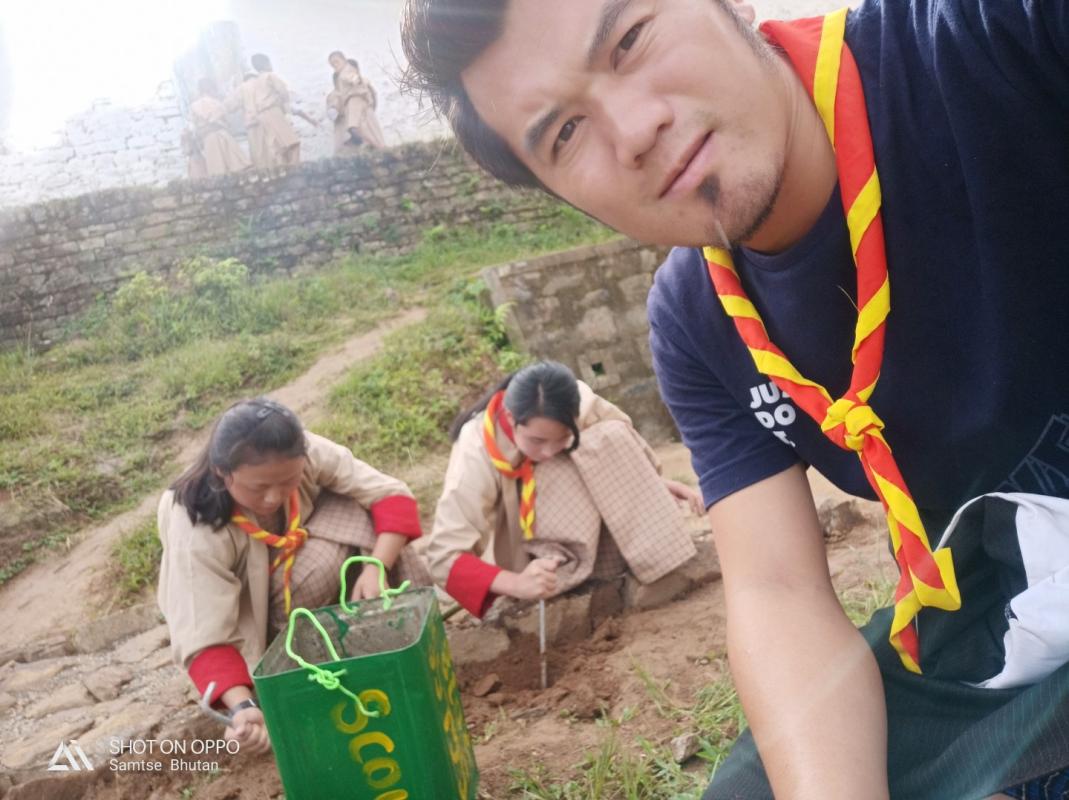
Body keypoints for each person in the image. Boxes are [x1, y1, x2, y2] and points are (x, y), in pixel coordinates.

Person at [399, 1, 1069, 798]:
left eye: (630, 38)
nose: (635, 127)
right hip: (1011, 622)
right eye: (564, 134)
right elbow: (775, 590)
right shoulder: (695, 321)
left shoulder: (986, 42)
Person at [157, 398, 426, 753]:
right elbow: (202, 633)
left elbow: (390, 495)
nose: (273, 497)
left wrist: (376, 566)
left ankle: (371, 637)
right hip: (254, 617)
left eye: (288, 482)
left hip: (298, 563)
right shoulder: (193, 524)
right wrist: (243, 708)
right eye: (258, 487)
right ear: (223, 473)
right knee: (314, 572)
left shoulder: (306, 452)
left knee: (361, 507)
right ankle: (291, 667)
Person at [427, 360, 701, 618]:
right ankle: (572, 579)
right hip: (529, 552)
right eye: (537, 440)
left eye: (562, 439)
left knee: (608, 436)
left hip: (590, 527)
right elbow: (444, 556)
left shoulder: (582, 402)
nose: (547, 451)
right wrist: (517, 583)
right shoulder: (475, 453)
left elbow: (621, 453)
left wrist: (653, 485)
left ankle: (644, 566)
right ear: (511, 418)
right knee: (557, 462)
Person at [246, 54, 307, 167]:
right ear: (266, 63)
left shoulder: (255, 82)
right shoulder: (269, 76)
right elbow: (283, 91)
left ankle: (284, 169)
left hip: (262, 115)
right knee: (293, 143)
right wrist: (286, 108)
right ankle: (295, 169)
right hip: (273, 111)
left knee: (279, 147)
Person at [188, 78, 250, 177]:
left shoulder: (194, 106)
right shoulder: (217, 103)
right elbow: (227, 121)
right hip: (223, 136)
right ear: (211, 89)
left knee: (217, 171)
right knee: (236, 167)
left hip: (208, 139)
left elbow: (192, 127)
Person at [327, 51, 386, 149]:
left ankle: (377, 146)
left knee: (364, 129)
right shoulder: (339, 89)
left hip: (362, 107)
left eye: (336, 62)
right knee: (361, 129)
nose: (335, 66)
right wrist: (333, 108)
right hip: (355, 110)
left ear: (344, 60)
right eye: (332, 65)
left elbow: (351, 77)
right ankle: (373, 145)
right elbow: (336, 98)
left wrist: (356, 80)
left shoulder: (347, 71)